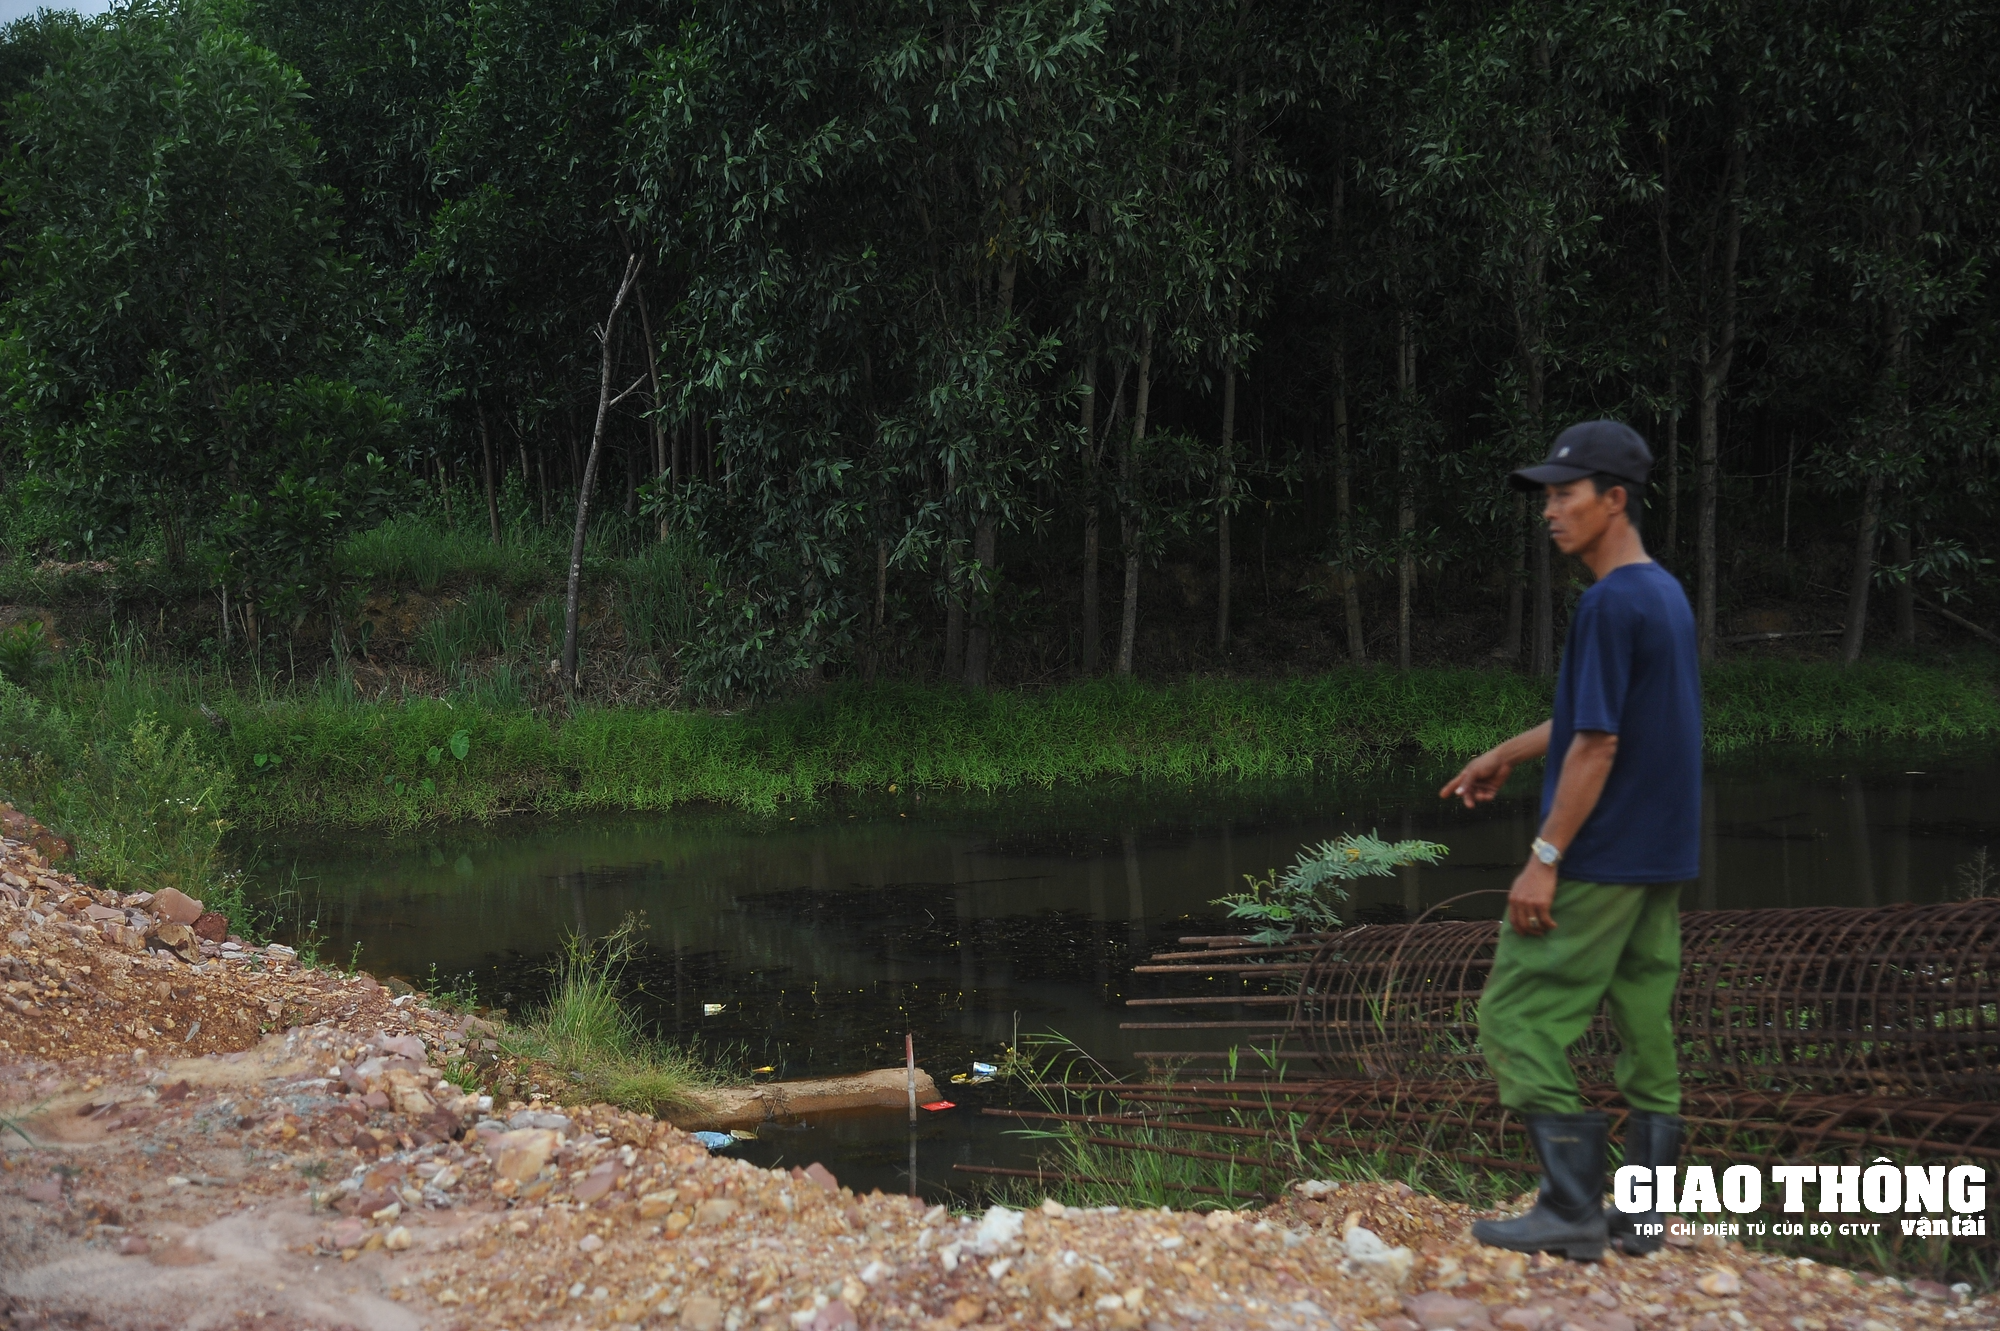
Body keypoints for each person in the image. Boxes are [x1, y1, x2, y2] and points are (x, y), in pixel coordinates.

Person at [1438, 420, 1701, 1262]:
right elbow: (1598, 719)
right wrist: (1507, 753)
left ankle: (1570, 1207)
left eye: (1565, 494)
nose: (1550, 511)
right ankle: (1645, 1215)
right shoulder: (1660, 592)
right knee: (1644, 1027)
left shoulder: (1607, 601)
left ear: (1613, 498)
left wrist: (1543, 858)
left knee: (1514, 1016)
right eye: (1546, 495)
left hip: (1601, 856)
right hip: (1659, 860)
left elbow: (1598, 745)